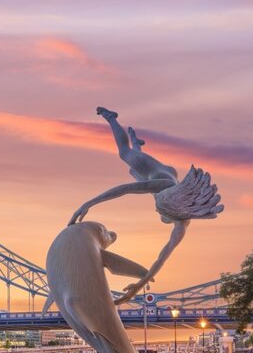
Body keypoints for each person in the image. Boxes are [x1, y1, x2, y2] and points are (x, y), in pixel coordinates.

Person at [69, 107, 224, 304]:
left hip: (165, 175)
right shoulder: (164, 187)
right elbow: (125, 189)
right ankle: (112, 118)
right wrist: (89, 204)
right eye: (158, 207)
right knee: (125, 154)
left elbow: (162, 258)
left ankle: (137, 144)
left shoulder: (181, 224)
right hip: (161, 174)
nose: (156, 209)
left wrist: (137, 288)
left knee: (136, 171)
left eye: (159, 209)